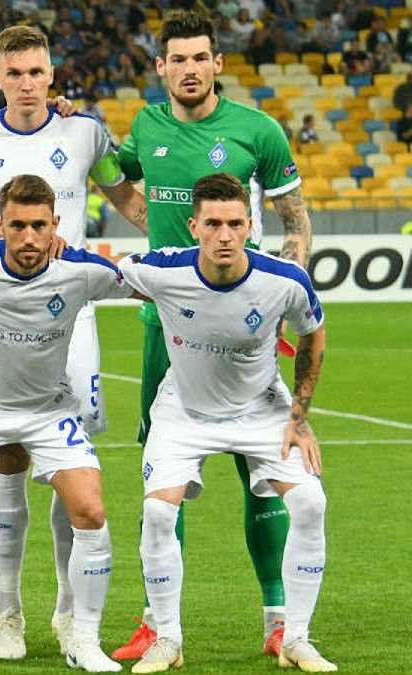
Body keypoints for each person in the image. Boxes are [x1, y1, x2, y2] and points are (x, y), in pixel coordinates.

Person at [0, 24, 147, 660]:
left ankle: (67, 610)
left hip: (69, 317)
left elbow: (127, 198)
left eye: (36, 72)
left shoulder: (85, 133)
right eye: (15, 73)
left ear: (52, 75)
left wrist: (188, 240)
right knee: (6, 454)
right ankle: (9, 611)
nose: (27, 84)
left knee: (69, 470)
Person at [111, 10, 314, 662]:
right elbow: (110, 172)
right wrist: (140, 214)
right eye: (178, 58)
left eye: (201, 57)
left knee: (264, 467)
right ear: (161, 66)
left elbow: (295, 219)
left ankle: (278, 618)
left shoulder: (258, 130)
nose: (190, 68)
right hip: (164, 327)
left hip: (246, 326)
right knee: (163, 478)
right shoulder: (146, 125)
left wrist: (286, 298)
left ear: (217, 63)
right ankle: (157, 623)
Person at [0, 175, 133, 675]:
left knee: (90, 509)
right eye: (17, 226)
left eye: (38, 226)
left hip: (49, 410)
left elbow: (155, 285)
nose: (29, 237)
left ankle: (84, 638)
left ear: (55, 224)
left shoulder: (81, 271)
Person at [116, 173, 332, 674]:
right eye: (213, 224)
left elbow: (314, 333)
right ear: (194, 227)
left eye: (235, 223)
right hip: (184, 410)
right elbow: (100, 275)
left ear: (250, 226)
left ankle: (296, 639)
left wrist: (299, 415)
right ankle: (167, 639)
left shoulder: (284, 280)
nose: (225, 235)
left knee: (310, 503)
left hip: (261, 408)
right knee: (159, 513)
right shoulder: (161, 270)